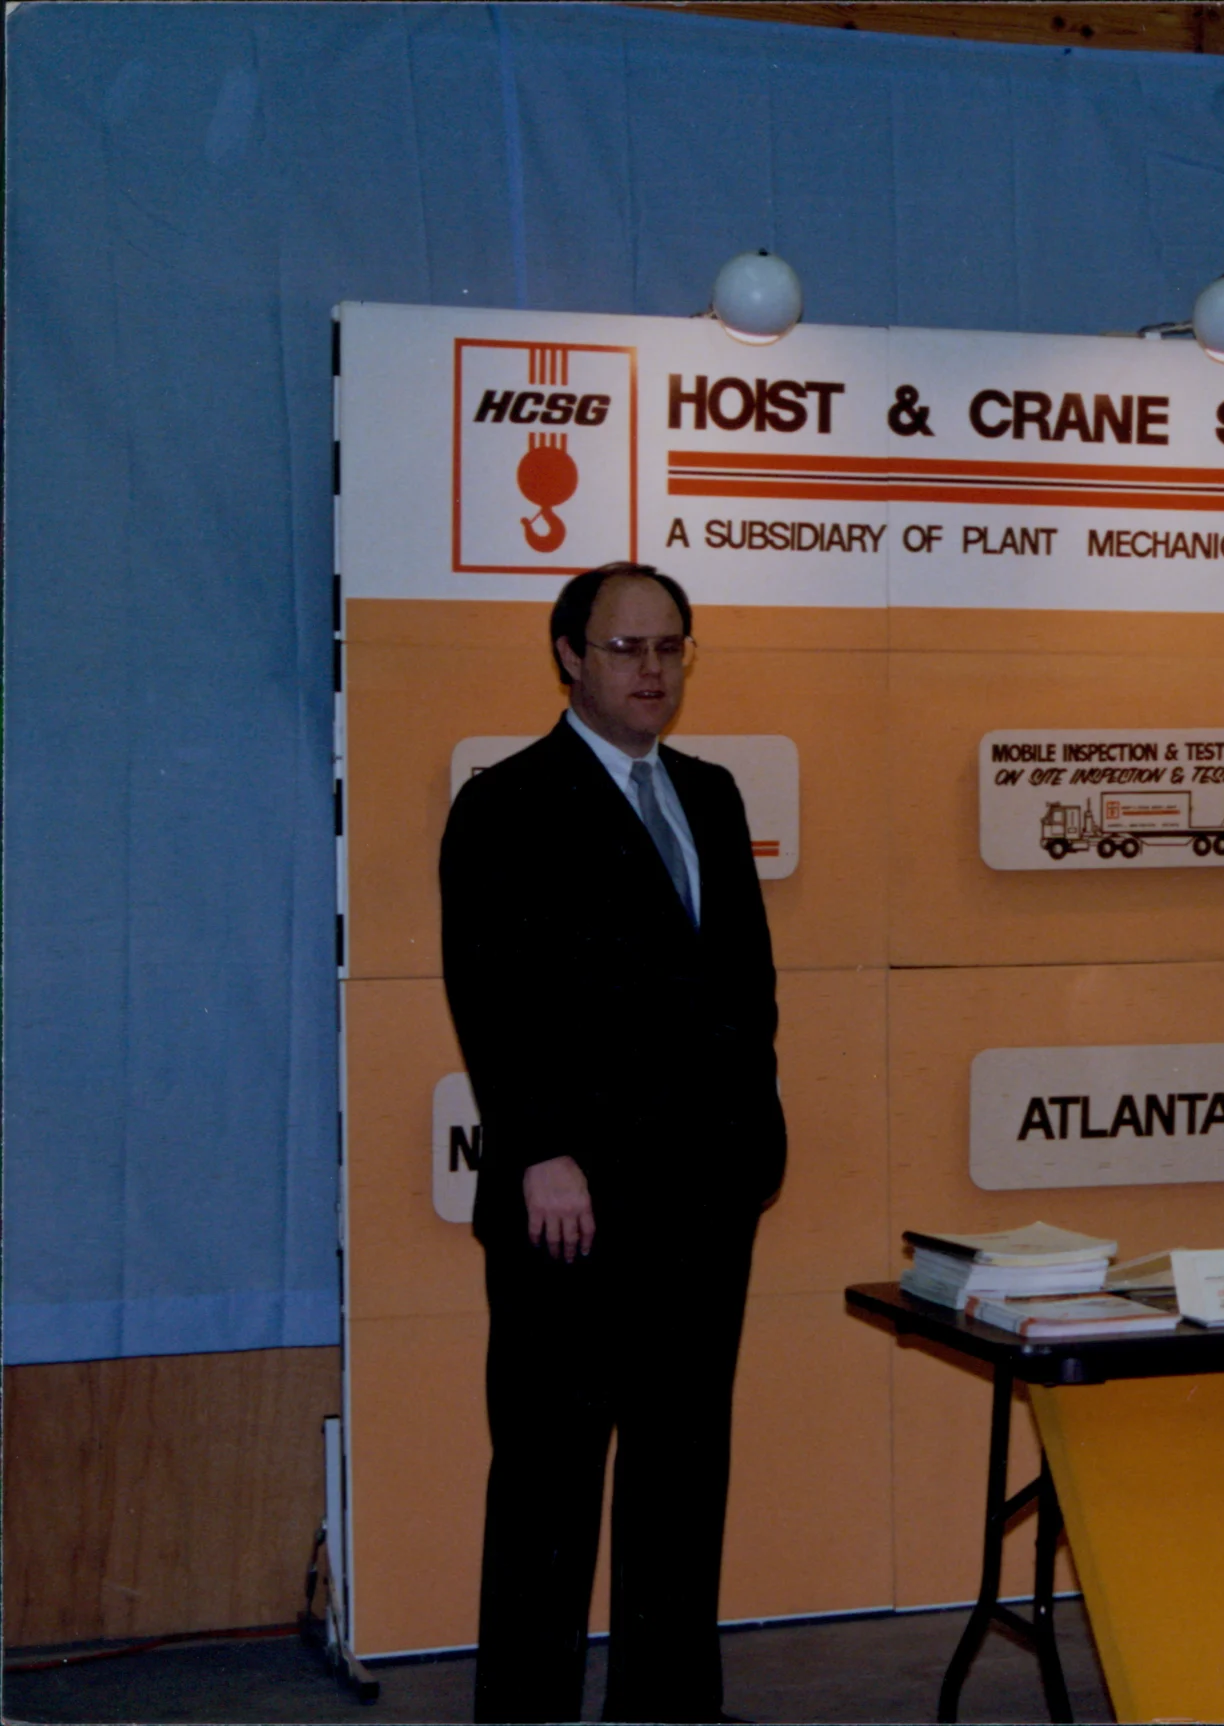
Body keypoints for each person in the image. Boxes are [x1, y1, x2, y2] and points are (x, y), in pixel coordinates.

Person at [441, 562, 785, 1723]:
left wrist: (754, 1141)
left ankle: (669, 1710)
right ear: (568, 656)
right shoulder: (506, 802)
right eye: (628, 647)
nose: (653, 670)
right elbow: (491, 995)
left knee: (683, 1484)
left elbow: (747, 990)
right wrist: (540, 1148)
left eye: (671, 647)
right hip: (569, 1209)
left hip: (704, 1202)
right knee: (547, 1488)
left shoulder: (715, 793)